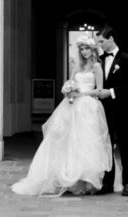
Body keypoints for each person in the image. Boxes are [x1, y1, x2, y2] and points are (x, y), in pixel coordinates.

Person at [11, 37, 112, 196]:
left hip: (88, 107)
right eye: (81, 49)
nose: (84, 51)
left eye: (86, 48)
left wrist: (80, 93)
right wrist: (67, 89)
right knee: (68, 141)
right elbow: (69, 82)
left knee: (86, 142)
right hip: (72, 106)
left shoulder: (97, 66)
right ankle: (69, 179)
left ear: (92, 50)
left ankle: (86, 180)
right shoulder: (77, 66)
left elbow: (99, 90)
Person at [94, 25, 128, 197]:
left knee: (125, 146)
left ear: (111, 39)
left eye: (102, 41)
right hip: (105, 111)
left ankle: (127, 183)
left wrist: (110, 92)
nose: (100, 45)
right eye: (98, 42)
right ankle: (107, 184)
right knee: (106, 146)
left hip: (122, 109)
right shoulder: (99, 61)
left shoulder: (126, 58)